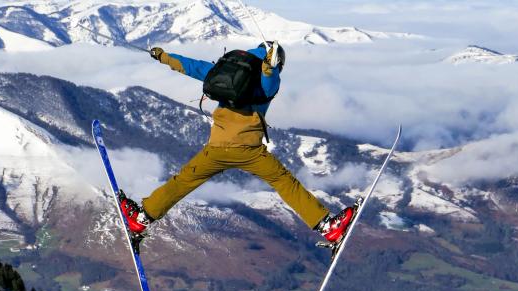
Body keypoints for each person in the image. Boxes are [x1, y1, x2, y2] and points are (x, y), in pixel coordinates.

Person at [118, 41, 355, 246]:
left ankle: (141, 219)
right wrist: (270, 67)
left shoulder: (227, 71)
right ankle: (328, 227)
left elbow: (191, 66)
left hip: (217, 148)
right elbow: (270, 82)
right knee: (284, 182)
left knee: (183, 181)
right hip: (249, 151)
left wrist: (162, 56)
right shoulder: (267, 79)